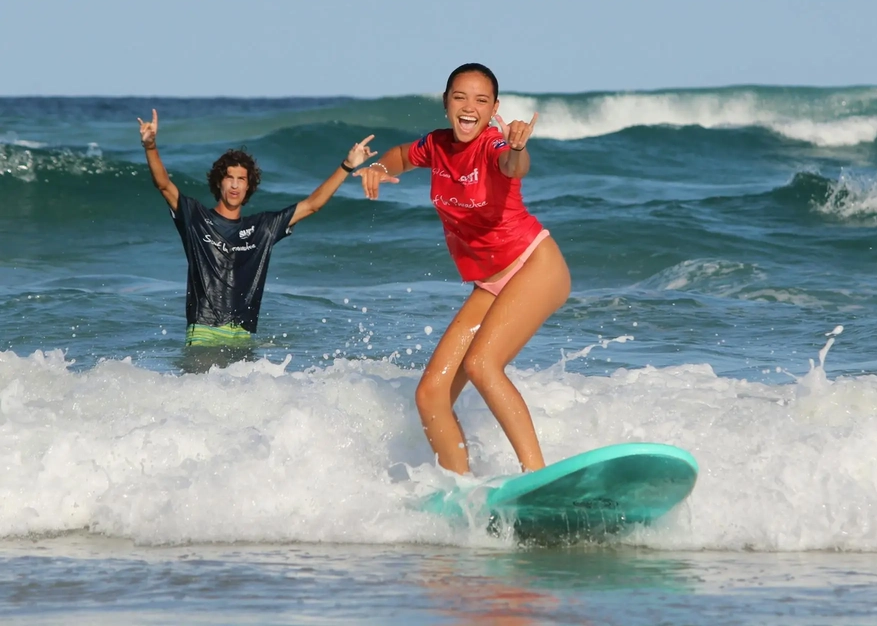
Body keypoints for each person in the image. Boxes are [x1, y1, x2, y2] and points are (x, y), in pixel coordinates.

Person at [354, 63, 571, 474]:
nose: (470, 107)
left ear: (494, 109)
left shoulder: (493, 144)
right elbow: (401, 155)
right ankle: (459, 489)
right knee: (430, 394)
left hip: (534, 265)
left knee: (482, 364)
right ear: (446, 103)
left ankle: (538, 475)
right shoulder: (437, 145)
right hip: (490, 284)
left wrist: (518, 148)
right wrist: (378, 169)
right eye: (460, 97)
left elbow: (513, 166)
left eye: (481, 100)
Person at [138, 108, 376, 350]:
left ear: (248, 186)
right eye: (229, 178)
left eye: (241, 179)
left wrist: (347, 165)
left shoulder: (262, 227)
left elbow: (312, 205)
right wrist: (150, 147)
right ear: (219, 182)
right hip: (204, 331)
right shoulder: (196, 217)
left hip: (242, 335)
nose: (234, 185)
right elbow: (164, 185)